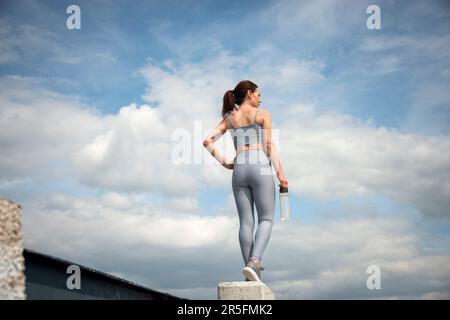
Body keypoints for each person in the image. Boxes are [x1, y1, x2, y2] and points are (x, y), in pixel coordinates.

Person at [203, 80, 288, 282]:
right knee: (266, 219)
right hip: (260, 164)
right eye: (258, 94)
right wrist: (281, 175)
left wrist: (224, 162)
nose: (260, 98)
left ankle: (250, 272)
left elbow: (207, 141)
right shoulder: (263, 114)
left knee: (245, 222)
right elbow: (269, 147)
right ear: (249, 94)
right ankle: (255, 262)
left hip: (239, 168)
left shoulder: (230, 118)